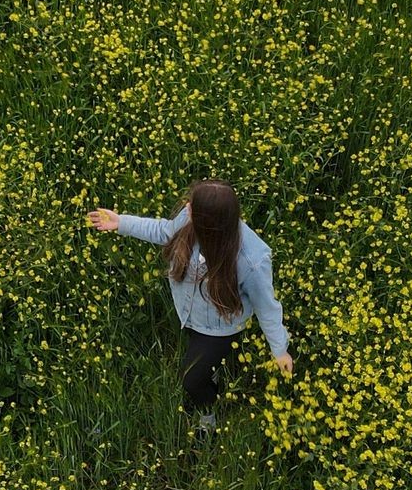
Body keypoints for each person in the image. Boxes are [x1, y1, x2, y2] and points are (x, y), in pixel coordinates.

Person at [85, 179, 292, 433]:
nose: (186, 207)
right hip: (188, 314)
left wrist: (280, 350)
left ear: (210, 220)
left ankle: (208, 418)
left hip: (219, 330)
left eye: (192, 207)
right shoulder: (190, 221)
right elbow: (164, 231)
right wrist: (121, 223)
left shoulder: (252, 259)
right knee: (201, 367)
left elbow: (267, 307)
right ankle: (213, 373)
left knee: (191, 380)